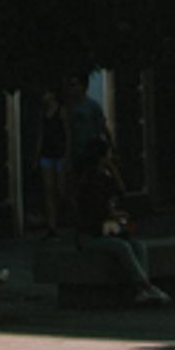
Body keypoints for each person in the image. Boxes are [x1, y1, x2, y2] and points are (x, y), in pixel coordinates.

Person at [66, 82, 113, 242]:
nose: (73, 88)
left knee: (93, 186)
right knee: (80, 188)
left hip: (92, 153)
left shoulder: (92, 106)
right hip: (79, 154)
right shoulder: (71, 108)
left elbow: (102, 126)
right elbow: (70, 132)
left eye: (76, 84)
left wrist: (109, 146)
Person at [35, 90, 69, 238]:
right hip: (46, 155)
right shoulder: (43, 113)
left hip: (60, 154)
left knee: (61, 190)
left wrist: (67, 155)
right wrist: (37, 155)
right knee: (49, 190)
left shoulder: (61, 111)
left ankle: (69, 218)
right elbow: (41, 135)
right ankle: (52, 226)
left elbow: (68, 134)